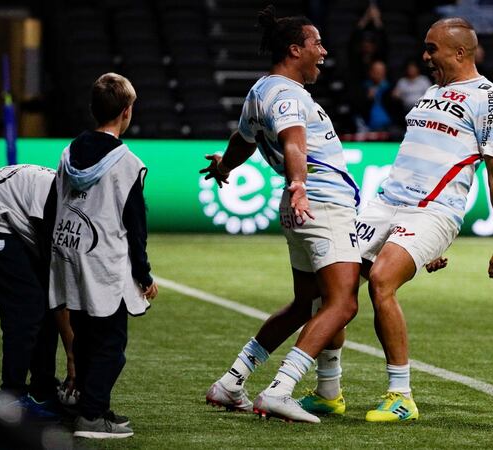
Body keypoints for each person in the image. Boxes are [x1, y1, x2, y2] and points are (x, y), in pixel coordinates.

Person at [300, 17, 493, 423]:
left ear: (459, 52)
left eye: (432, 49)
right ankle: (329, 391)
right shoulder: (433, 92)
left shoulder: (490, 100)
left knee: (381, 281)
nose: (425, 56)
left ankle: (401, 396)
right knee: (331, 284)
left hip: (432, 212)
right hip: (385, 205)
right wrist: (416, 248)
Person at [200, 5, 361, 424]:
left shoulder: (260, 91)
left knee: (303, 304)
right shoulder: (288, 95)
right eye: (317, 44)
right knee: (342, 305)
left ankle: (231, 382)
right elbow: (292, 141)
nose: (323, 51)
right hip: (320, 205)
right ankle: (281, 389)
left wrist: (224, 167)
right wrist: (299, 186)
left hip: (303, 209)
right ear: (295, 49)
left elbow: (243, 139)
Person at [49, 72, 158, 439]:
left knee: (84, 338)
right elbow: (135, 226)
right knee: (112, 346)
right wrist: (143, 275)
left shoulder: (68, 152)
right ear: (126, 112)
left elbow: (56, 204)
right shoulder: (128, 163)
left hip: (69, 256)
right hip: (104, 263)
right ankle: (92, 416)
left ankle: (92, 405)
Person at [0, 164, 71, 419]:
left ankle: (43, 388)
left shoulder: (68, 198)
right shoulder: (58, 210)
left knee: (42, 301)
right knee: (26, 306)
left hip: (7, 209)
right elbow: (58, 287)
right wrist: (73, 356)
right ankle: (12, 398)